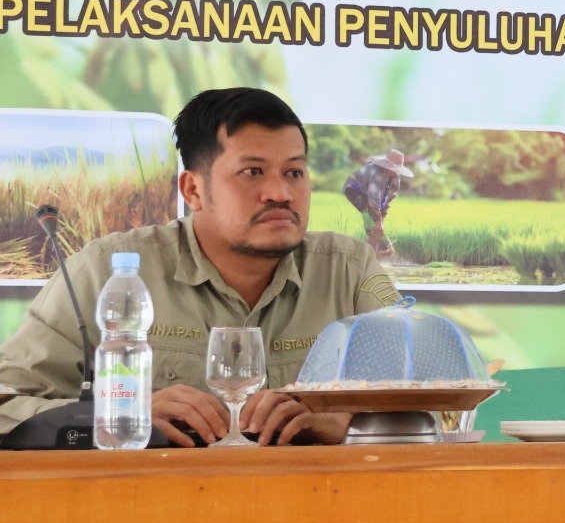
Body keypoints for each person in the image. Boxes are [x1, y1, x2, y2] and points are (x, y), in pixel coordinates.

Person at [0, 88, 401, 446]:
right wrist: (121, 414)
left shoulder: (349, 270)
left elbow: (432, 401)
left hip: (313, 513)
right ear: (193, 189)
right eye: (252, 172)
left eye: (294, 172)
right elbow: (7, 407)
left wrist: (346, 423)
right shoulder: (109, 271)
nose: (280, 193)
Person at [343, 148, 413, 260]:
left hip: (369, 196)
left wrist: (382, 215)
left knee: (376, 226)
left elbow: (389, 198)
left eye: (395, 169)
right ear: (386, 164)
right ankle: (367, 256)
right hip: (354, 189)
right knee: (372, 222)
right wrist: (378, 221)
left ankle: (372, 256)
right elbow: (373, 198)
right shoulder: (377, 173)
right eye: (391, 167)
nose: (393, 171)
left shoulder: (396, 179)